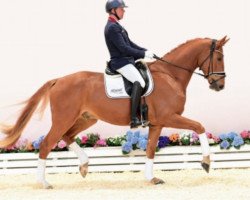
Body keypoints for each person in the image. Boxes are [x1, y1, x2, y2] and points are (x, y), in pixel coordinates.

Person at [104, 0, 155, 129]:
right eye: (121, 8)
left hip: (127, 60)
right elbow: (124, 49)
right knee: (140, 82)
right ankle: (134, 119)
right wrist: (142, 55)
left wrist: (145, 51)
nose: (124, 11)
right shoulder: (112, 28)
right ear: (113, 10)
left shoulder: (117, 26)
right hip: (121, 62)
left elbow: (130, 44)